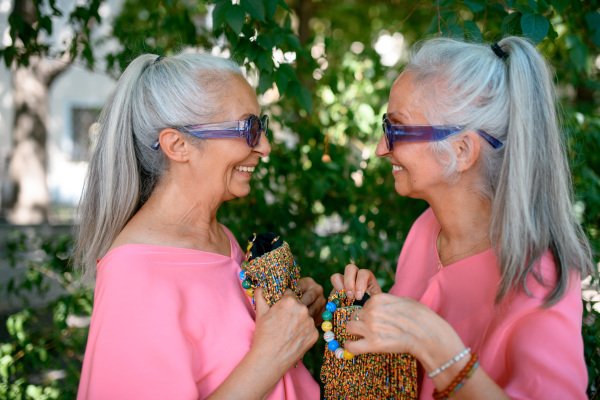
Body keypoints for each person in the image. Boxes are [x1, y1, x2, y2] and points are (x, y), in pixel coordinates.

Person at [331, 36, 594, 399]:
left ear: (462, 150)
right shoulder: (426, 228)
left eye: (396, 129)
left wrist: (436, 344)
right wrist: (384, 317)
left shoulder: (539, 274)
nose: (381, 148)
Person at [74, 51, 324, 399]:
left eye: (261, 127)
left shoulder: (221, 240)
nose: (264, 146)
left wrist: (291, 318)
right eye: (248, 129)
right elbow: (262, 360)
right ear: (178, 145)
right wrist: (272, 354)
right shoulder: (135, 275)